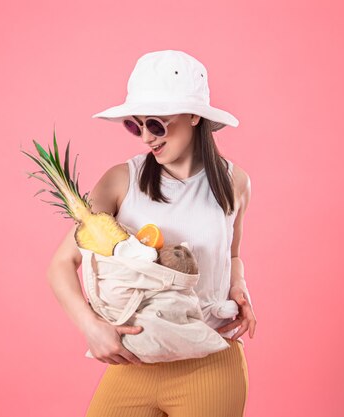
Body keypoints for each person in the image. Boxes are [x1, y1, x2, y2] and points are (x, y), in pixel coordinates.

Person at [46, 49, 257, 417]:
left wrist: (239, 288)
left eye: (156, 124)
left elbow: (232, 254)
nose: (145, 137)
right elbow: (62, 262)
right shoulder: (120, 180)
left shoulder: (234, 183)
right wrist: (91, 327)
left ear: (194, 115)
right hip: (134, 359)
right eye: (135, 124)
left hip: (209, 362)